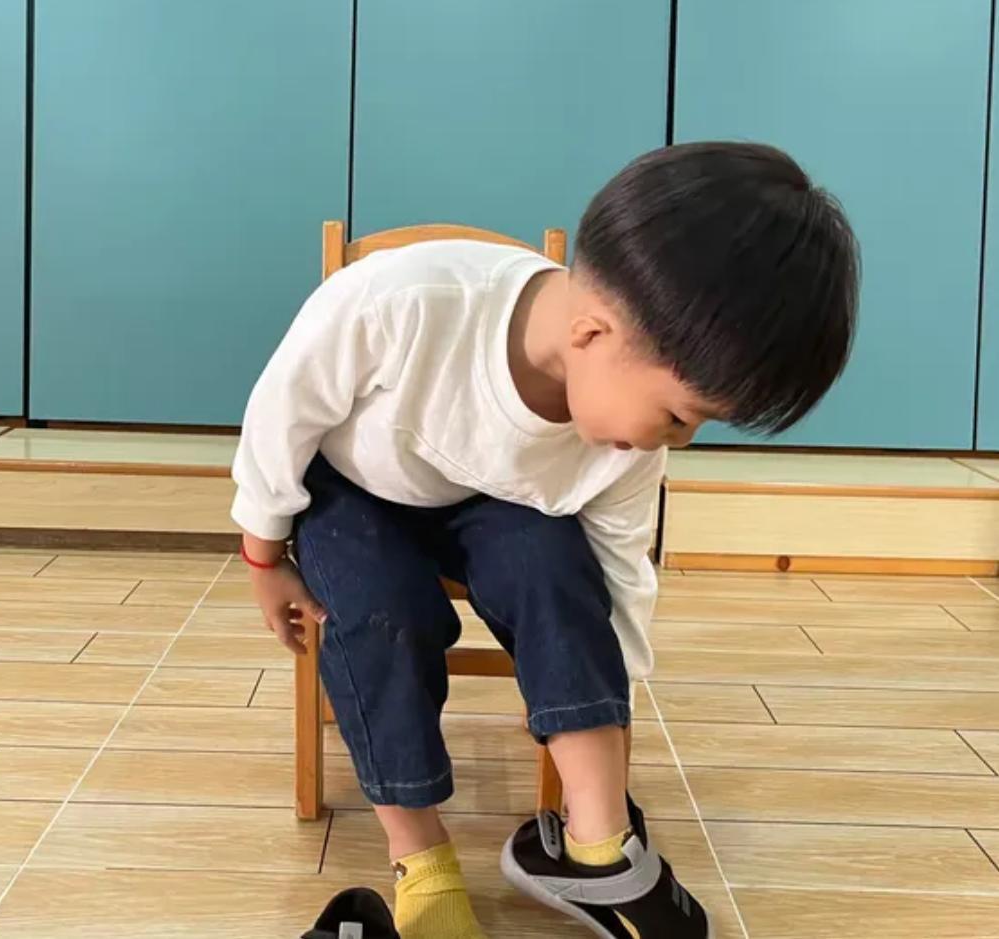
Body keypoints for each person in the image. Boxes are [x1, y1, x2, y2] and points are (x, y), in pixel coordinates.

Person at [233, 142, 859, 939]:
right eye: (677, 415)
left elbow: (621, 572)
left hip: (490, 500)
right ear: (591, 333)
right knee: (380, 611)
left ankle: (596, 844)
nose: (677, 440)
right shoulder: (406, 301)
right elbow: (280, 413)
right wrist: (263, 554)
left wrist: (605, 701)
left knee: (559, 572)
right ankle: (419, 854)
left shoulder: (624, 442)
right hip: (352, 486)